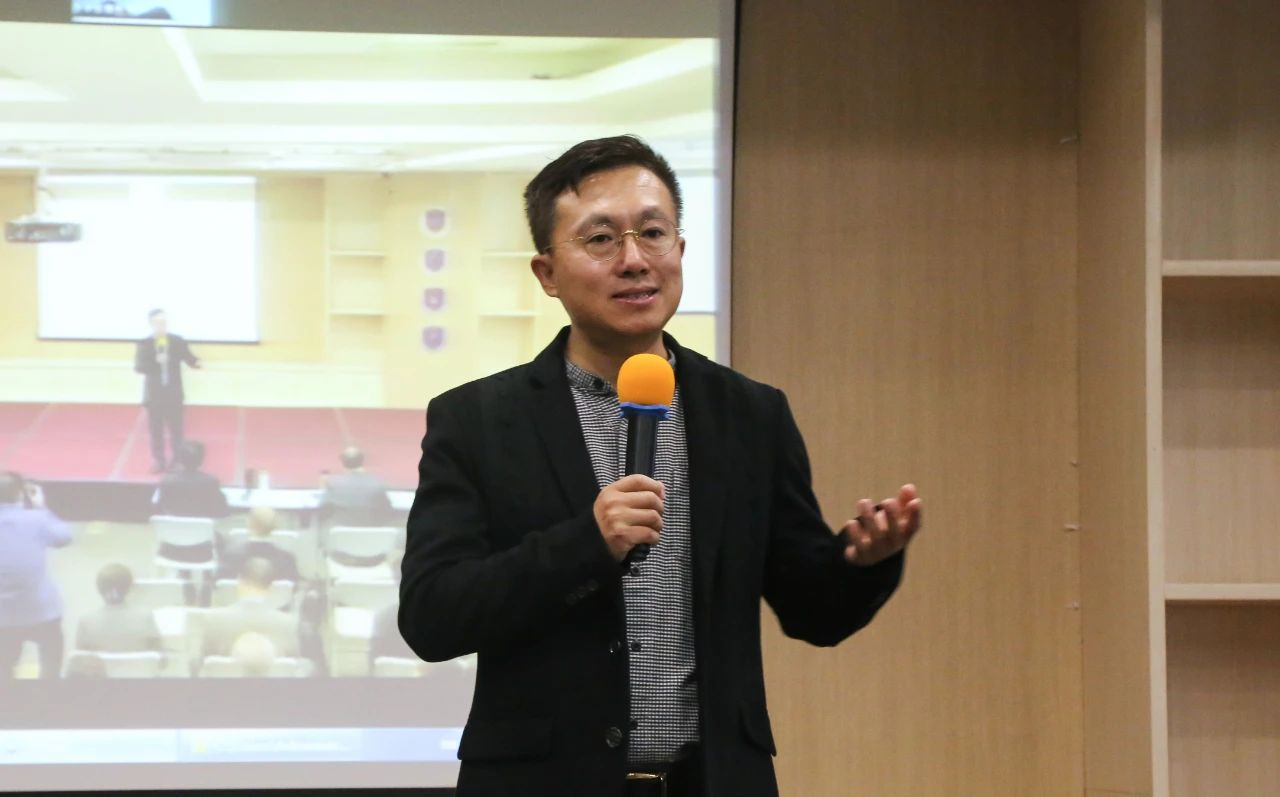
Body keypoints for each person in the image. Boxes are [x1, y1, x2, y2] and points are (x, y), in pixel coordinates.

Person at [398, 136, 925, 797]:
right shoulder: (478, 420)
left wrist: (862, 562)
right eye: (600, 239)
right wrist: (586, 543)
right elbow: (432, 616)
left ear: (680, 249)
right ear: (547, 273)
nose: (634, 260)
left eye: (653, 233)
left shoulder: (749, 414)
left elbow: (812, 611)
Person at [0, 472, 73, 679]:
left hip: (2, 618)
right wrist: (41, 507)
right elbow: (64, 537)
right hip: (41, 611)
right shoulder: (37, 519)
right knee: (51, 660)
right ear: (21, 494)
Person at [199, 558, 300, 670]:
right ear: (271, 588)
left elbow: (199, 665)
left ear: (239, 581)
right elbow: (294, 668)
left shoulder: (214, 620)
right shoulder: (289, 624)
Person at [134, 308, 201, 473]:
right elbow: (139, 367)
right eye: (158, 322)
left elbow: (189, 358)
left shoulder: (177, 341)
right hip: (154, 395)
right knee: (155, 430)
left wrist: (196, 363)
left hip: (173, 393)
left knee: (176, 429)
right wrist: (156, 361)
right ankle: (158, 460)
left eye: (163, 322)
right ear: (151, 324)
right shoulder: (144, 344)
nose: (161, 325)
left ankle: (178, 460)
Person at [75, 563, 163, 655]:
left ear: (99, 589)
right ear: (129, 588)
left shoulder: (86, 621)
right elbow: (160, 658)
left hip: (101, 665)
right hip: (138, 665)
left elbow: (79, 660)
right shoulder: (146, 617)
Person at [217, 506, 300, 584]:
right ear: (275, 526)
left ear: (249, 524)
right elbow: (294, 588)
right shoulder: (286, 559)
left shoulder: (231, 556)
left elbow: (220, 588)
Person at [153, 440, 229, 520]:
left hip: (173, 527)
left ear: (180, 459)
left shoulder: (167, 482)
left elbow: (160, 509)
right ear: (201, 459)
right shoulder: (211, 482)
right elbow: (222, 511)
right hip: (203, 527)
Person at [319, 446, 392, 528]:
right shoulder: (377, 483)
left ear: (343, 463)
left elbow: (323, 509)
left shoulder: (333, 483)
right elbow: (386, 510)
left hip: (339, 532)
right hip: (370, 531)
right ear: (362, 461)